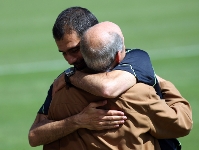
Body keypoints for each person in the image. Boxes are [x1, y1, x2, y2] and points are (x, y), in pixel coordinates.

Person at [43, 21, 192, 150]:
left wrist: (75, 121)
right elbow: (182, 123)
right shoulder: (139, 93)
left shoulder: (59, 95)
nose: (69, 59)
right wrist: (157, 79)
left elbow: (40, 139)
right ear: (118, 56)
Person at [28, 7, 127, 147]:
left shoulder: (133, 62)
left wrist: (71, 77)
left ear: (92, 36)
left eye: (74, 50)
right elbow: (34, 137)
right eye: (63, 53)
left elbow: (107, 88)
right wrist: (78, 121)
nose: (70, 60)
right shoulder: (61, 83)